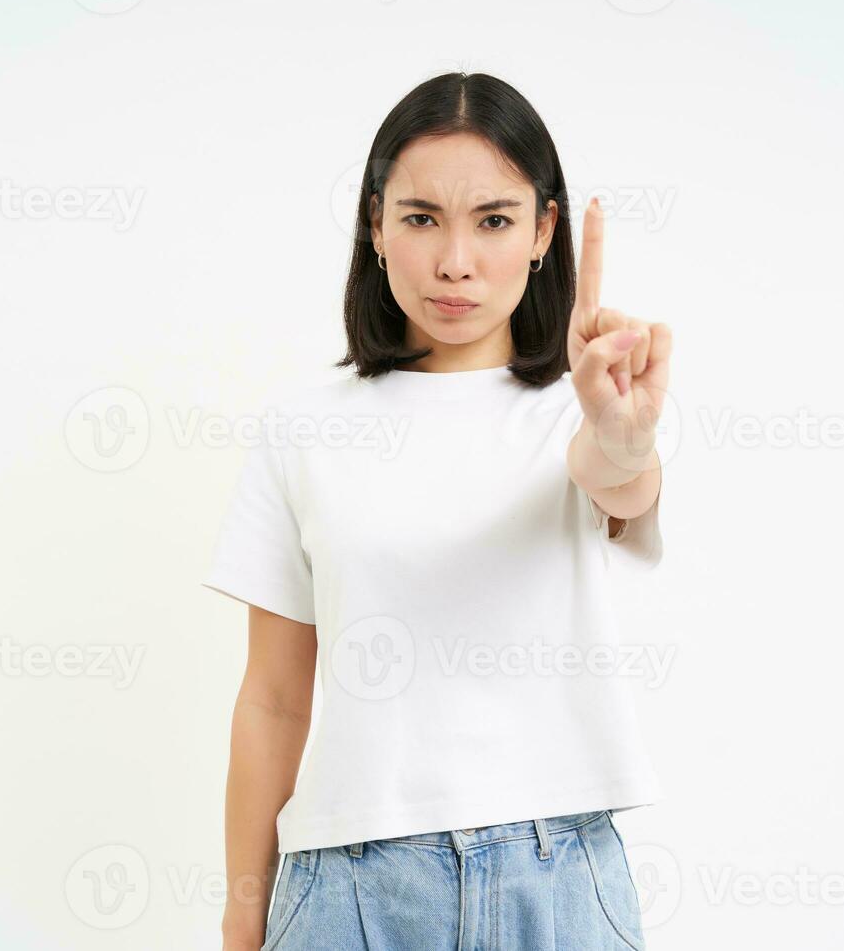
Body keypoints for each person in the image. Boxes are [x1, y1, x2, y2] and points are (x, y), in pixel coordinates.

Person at [203, 71, 672, 951]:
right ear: (376, 226)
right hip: (346, 892)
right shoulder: (305, 425)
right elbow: (271, 699)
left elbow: (621, 481)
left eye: (494, 220)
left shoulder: (588, 406)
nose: (455, 260)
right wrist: (242, 919)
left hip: (557, 884)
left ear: (543, 232)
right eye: (421, 217)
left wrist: (622, 435)